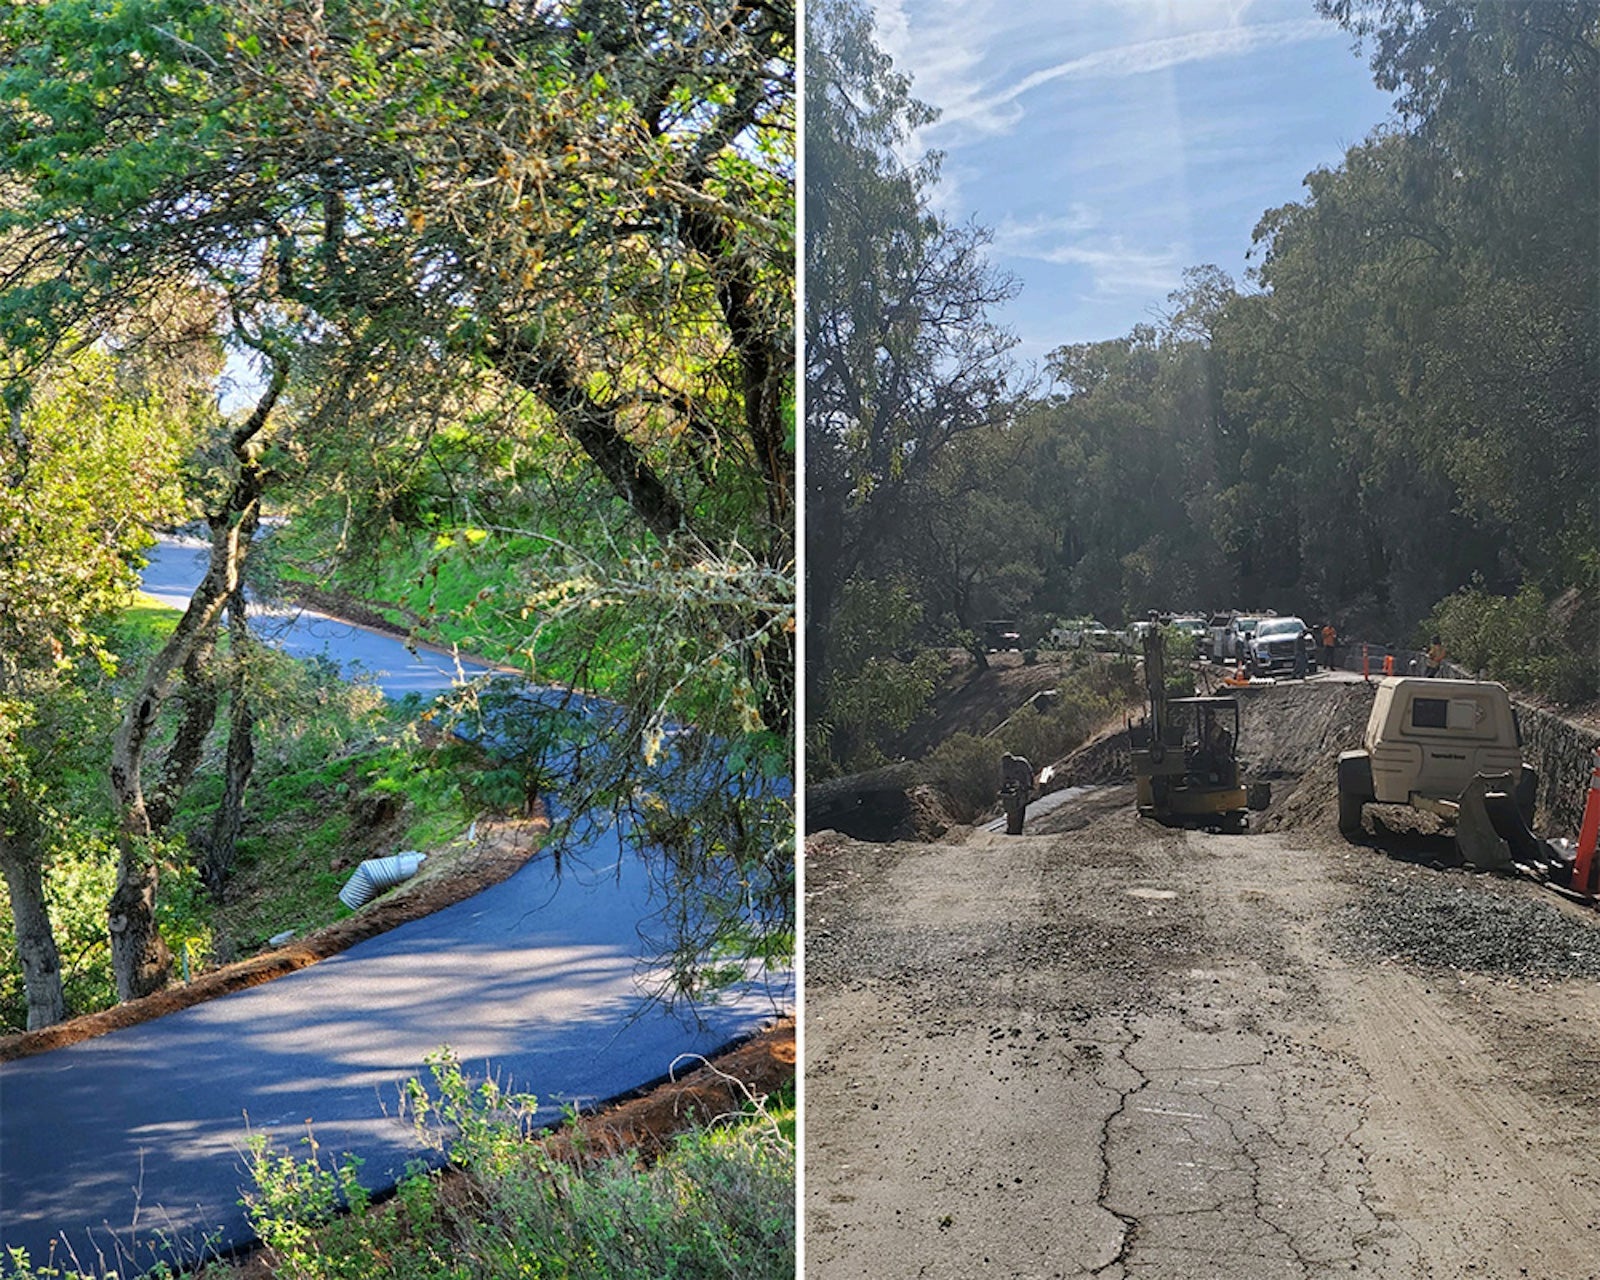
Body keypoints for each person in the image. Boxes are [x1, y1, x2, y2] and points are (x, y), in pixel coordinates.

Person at [999, 752, 1033, 835]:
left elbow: (1029, 774)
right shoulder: (1005, 766)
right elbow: (1004, 778)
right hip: (1013, 789)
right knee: (1010, 809)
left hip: (1023, 787)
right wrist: (1005, 788)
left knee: (1020, 808)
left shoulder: (1021, 763)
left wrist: (1028, 786)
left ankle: (1018, 828)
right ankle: (1011, 828)